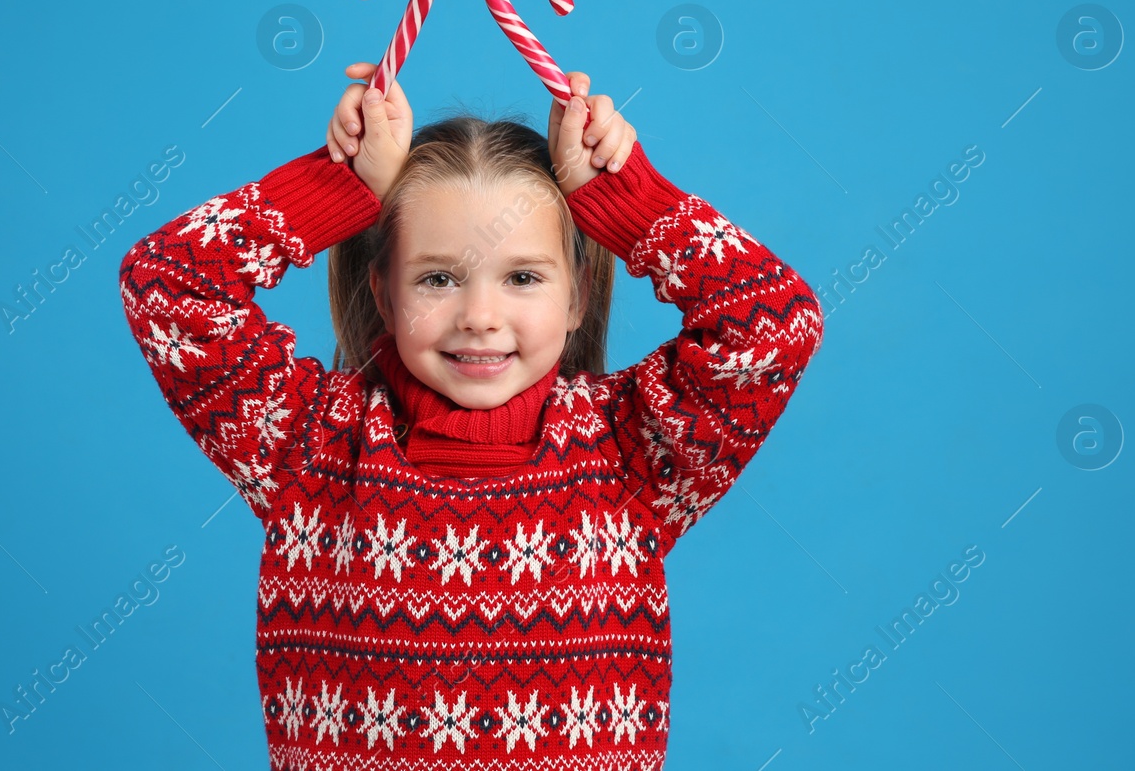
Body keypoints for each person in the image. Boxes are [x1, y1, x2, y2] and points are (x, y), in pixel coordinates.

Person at [118, 62, 824, 767]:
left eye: (522, 276)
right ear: (387, 296)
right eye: (437, 278)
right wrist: (342, 185)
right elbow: (167, 285)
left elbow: (774, 326)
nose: (479, 317)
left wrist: (626, 201)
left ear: (575, 296)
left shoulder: (629, 454)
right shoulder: (309, 445)